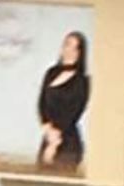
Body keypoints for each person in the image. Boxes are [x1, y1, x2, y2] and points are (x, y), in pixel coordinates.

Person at [37, 31, 90, 173]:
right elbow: (42, 103)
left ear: (80, 52)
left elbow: (74, 112)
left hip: (68, 142)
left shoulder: (82, 81)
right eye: (67, 45)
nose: (69, 50)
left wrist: (56, 141)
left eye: (75, 47)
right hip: (48, 136)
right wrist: (48, 129)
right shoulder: (51, 73)